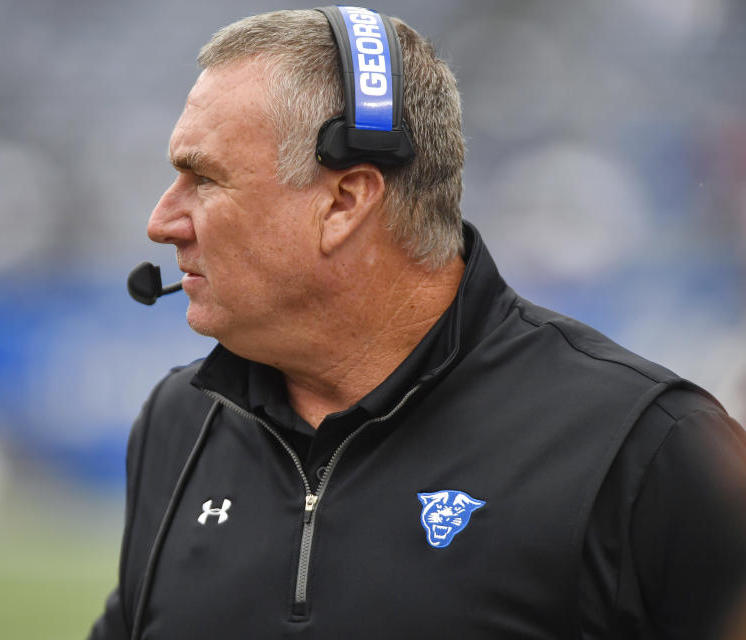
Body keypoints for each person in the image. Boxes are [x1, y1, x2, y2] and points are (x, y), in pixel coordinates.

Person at [88, 8, 746, 640]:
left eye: (202, 178)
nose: (161, 221)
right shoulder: (180, 422)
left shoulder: (648, 448)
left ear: (345, 201)